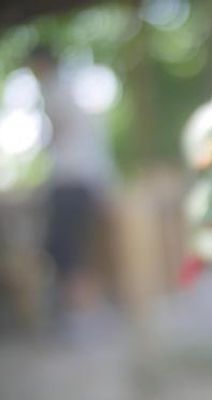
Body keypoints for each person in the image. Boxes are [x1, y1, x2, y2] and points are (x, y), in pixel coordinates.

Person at [27, 45, 116, 328]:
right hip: (83, 182)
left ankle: (82, 311)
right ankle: (82, 310)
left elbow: (54, 140)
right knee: (71, 250)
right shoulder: (69, 91)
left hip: (70, 184)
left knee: (65, 251)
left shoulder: (55, 92)